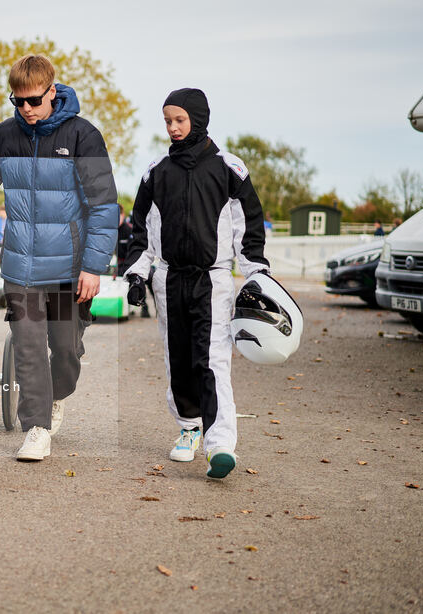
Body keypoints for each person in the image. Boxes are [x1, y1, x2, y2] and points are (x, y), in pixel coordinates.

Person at [0, 54, 117, 461]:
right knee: (28, 348)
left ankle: (57, 396)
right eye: (17, 102)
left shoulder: (84, 136)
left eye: (33, 101)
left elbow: (103, 205)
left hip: (69, 269)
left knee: (64, 350)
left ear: (52, 90)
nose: (26, 109)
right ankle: (37, 427)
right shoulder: (5, 136)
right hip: (20, 268)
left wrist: (94, 267)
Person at [123, 88, 270, 479]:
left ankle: (220, 444)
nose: (172, 128)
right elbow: (142, 229)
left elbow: (249, 226)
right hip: (169, 280)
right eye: (168, 121)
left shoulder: (228, 168)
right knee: (179, 358)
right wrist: (138, 273)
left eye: (179, 120)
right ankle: (189, 428)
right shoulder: (156, 172)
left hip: (214, 279)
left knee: (212, 360)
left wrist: (255, 272)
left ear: (198, 119)